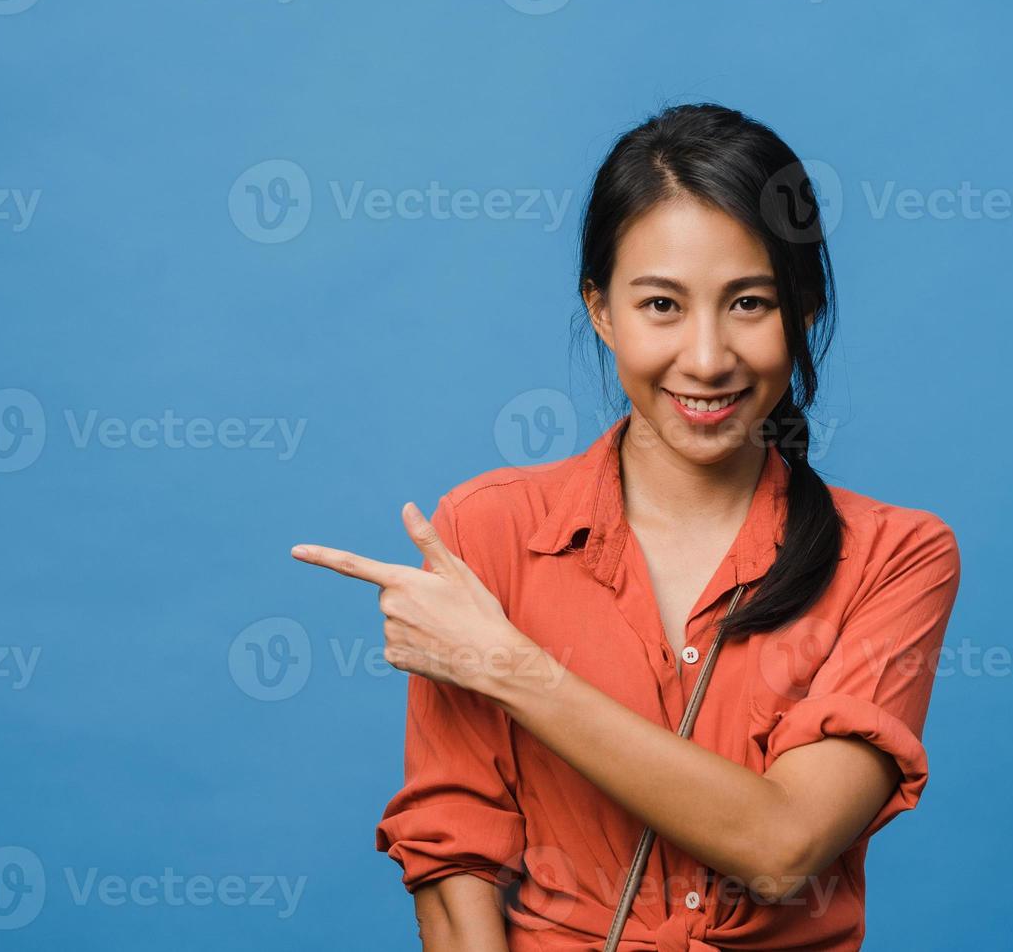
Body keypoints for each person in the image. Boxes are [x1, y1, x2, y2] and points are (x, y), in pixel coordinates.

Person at [290, 102, 962, 950]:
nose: (709, 356)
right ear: (601, 310)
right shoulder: (488, 529)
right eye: (661, 306)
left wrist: (507, 666)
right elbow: (453, 852)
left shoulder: (897, 557)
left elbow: (785, 847)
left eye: (749, 303)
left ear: (806, 312)